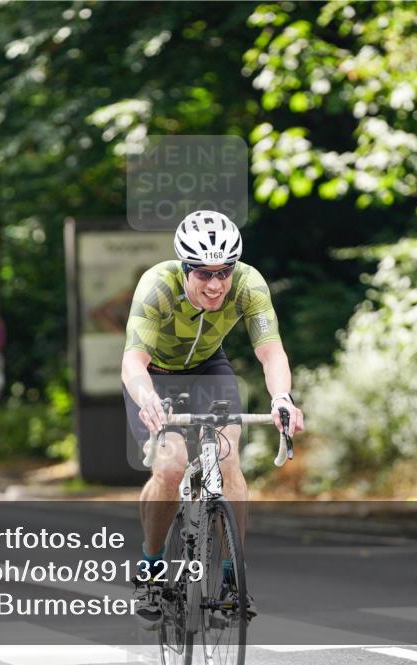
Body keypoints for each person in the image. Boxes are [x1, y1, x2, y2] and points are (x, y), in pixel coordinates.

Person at [120, 210, 305, 630]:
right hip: (154, 379)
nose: (216, 284)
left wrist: (281, 398)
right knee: (169, 467)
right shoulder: (158, 287)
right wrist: (147, 397)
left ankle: (229, 581)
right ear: (185, 269)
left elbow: (271, 351)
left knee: (227, 461)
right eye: (203, 274)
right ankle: (150, 571)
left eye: (224, 271)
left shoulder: (249, 284)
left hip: (209, 370)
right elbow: (133, 360)